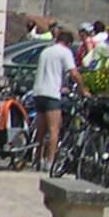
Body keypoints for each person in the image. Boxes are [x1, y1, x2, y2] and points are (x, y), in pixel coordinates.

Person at [31, 28, 78, 169]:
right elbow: (74, 73)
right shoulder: (65, 52)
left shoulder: (46, 51)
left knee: (40, 131)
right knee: (54, 129)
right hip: (52, 95)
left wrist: (61, 86)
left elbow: (50, 73)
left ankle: (37, 159)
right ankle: (50, 162)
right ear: (68, 43)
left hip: (38, 92)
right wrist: (83, 89)